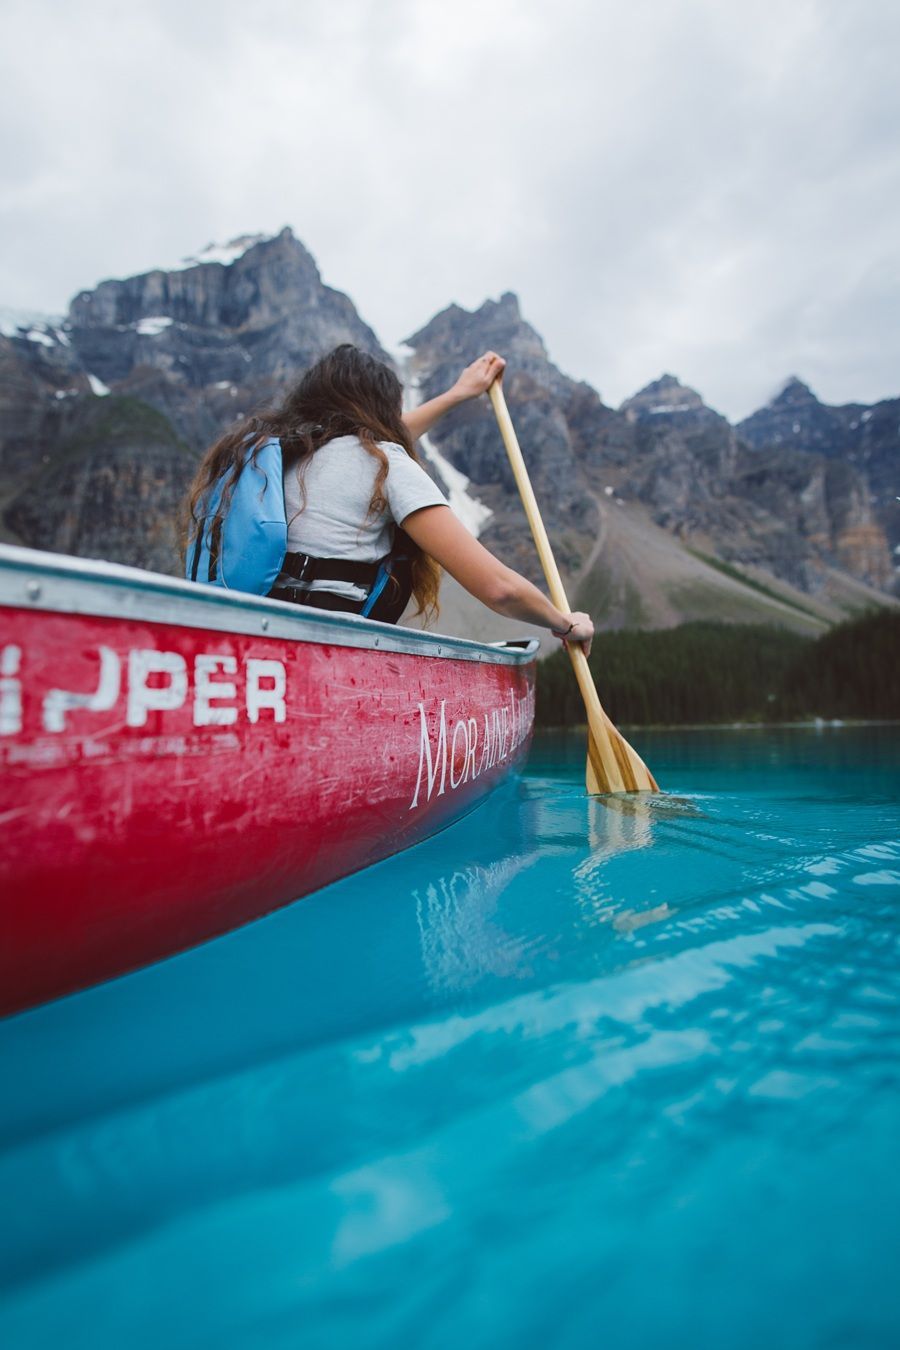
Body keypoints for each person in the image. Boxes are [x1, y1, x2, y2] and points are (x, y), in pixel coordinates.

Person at [184, 344, 594, 653]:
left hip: (248, 642)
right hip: (323, 652)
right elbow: (499, 589)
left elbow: (378, 439)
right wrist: (564, 622)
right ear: (382, 409)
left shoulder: (275, 457)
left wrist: (457, 394)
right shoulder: (386, 464)